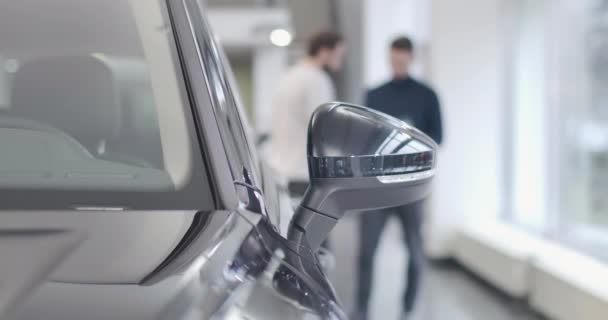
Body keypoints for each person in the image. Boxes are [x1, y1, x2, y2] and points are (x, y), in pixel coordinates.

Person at [354, 36, 443, 320]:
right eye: (393, 59)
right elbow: (363, 139)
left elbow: (437, 138)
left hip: (411, 189)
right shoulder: (375, 95)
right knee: (366, 252)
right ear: (389, 57)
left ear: (411, 58)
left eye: (402, 59)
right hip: (377, 189)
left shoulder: (427, 95)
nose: (397, 64)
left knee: (415, 252)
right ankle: (361, 309)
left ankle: (408, 309)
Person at [268, 31, 346, 197]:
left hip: (279, 170)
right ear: (325, 52)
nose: (341, 60)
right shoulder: (317, 79)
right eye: (339, 54)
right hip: (303, 172)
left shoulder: (288, 76)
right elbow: (324, 128)